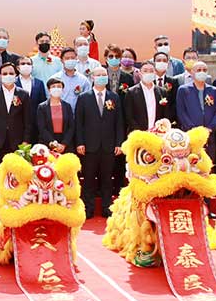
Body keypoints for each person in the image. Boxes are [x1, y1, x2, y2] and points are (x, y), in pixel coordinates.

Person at [75, 67, 125, 218]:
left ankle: (107, 207)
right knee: (89, 179)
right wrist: (80, 142)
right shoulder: (84, 97)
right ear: (92, 77)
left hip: (109, 146)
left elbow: (119, 122)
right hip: (89, 146)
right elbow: (79, 123)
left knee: (107, 179)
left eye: (104, 74)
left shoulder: (114, 97)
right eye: (98, 75)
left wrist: (119, 143)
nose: (102, 77)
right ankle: (88, 208)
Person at [0, 62, 31, 194]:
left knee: (17, 174)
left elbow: (28, 120)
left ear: (16, 75)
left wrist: (26, 141)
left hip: (18, 141)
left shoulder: (23, 94)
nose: (8, 75)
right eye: (5, 73)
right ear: (0, 76)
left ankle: (16, 199)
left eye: (11, 73)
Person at [176, 61, 216, 159]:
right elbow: (181, 112)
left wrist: (210, 128)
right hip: (190, 134)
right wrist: (193, 129)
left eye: (204, 70)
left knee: (208, 162)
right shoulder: (183, 90)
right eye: (199, 70)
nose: (202, 72)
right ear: (192, 73)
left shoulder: (214, 91)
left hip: (209, 135)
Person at [124, 61, 170, 133]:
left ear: (155, 73)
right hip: (138, 134)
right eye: (145, 71)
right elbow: (129, 116)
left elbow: (165, 114)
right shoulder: (131, 92)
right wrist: (141, 132)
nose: (148, 73)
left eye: (151, 71)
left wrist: (159, 129)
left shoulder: (162, 92)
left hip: (158, 134)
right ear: (140, 73)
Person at [36, 78, 74, 153]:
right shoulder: (42, 107)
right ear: (49, 89)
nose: (56, 89)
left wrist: (64, 144)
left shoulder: (67, 106)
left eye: (59, 86)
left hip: (65, 144)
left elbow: (71, 127)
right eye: (53, 86)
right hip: (48, 143)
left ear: (62, 89)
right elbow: (42, 128)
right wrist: (53, 143)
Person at [48, 47, 91, 112]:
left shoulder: (83, 80)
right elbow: (49, 99)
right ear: (61, 60)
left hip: (77, 115)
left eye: (72, 58)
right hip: (60, 114)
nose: (70, 60)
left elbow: (87, 100)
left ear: (76, 59)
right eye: (67, 58)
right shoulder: (54, 79)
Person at [16, 56, 46, 142]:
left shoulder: (39, 83)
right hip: (17, 123)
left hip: (35, 123)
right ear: (18, 68)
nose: (26, 65)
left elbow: (42, 104)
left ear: (32, 67)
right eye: (23, 64)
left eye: (28, 64)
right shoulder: (13, 82)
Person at [152, 51, 179, 116]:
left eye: (164, 61)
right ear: (154, 63)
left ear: (168, 63)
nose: (161, 62)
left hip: (168, 117)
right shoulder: (150, 81)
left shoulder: (173, 81)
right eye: (159, 60)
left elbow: (175, 102)